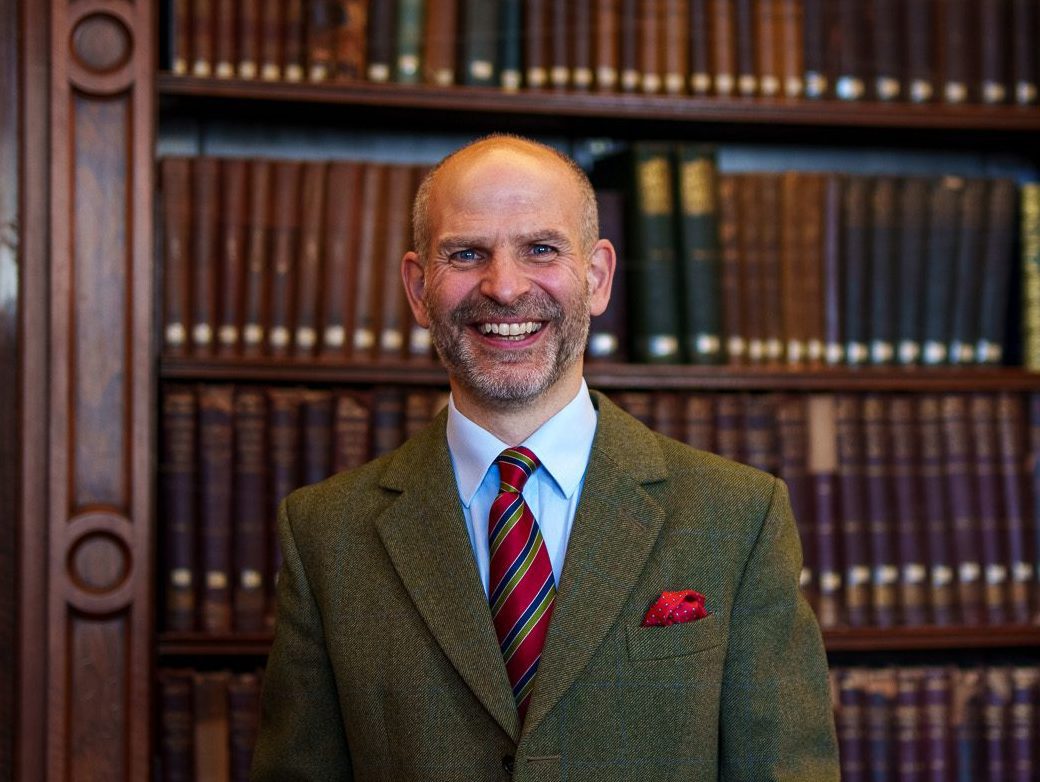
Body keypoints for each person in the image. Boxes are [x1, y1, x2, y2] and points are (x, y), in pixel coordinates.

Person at [251, 135, 839, 781]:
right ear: (419, 289)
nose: (504, 287)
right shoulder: (324, 534)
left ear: (596, 278)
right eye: (467, 253)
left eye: (541, 249)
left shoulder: (737, 516)